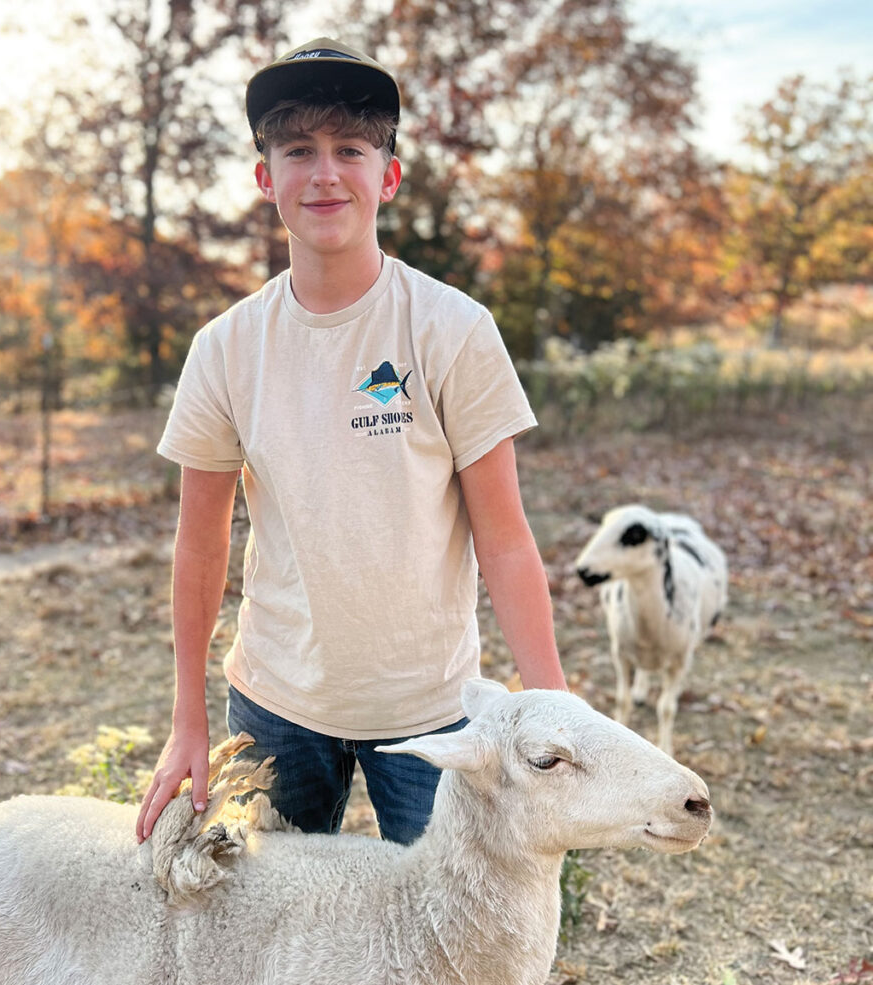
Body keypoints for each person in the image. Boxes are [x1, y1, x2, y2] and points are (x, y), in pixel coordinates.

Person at [136, 38, 566, 846]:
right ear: (267, 178)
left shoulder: (452, 329)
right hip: (276, 707)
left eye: (350, 150)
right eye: (298, 150)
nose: (324, 173)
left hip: (435, 715)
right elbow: (199, 550)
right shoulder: (225, 348)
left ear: (388, 176)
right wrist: (185, 719)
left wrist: (553, 714)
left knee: (451, 950)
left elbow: (506, 543)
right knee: (267, 950)